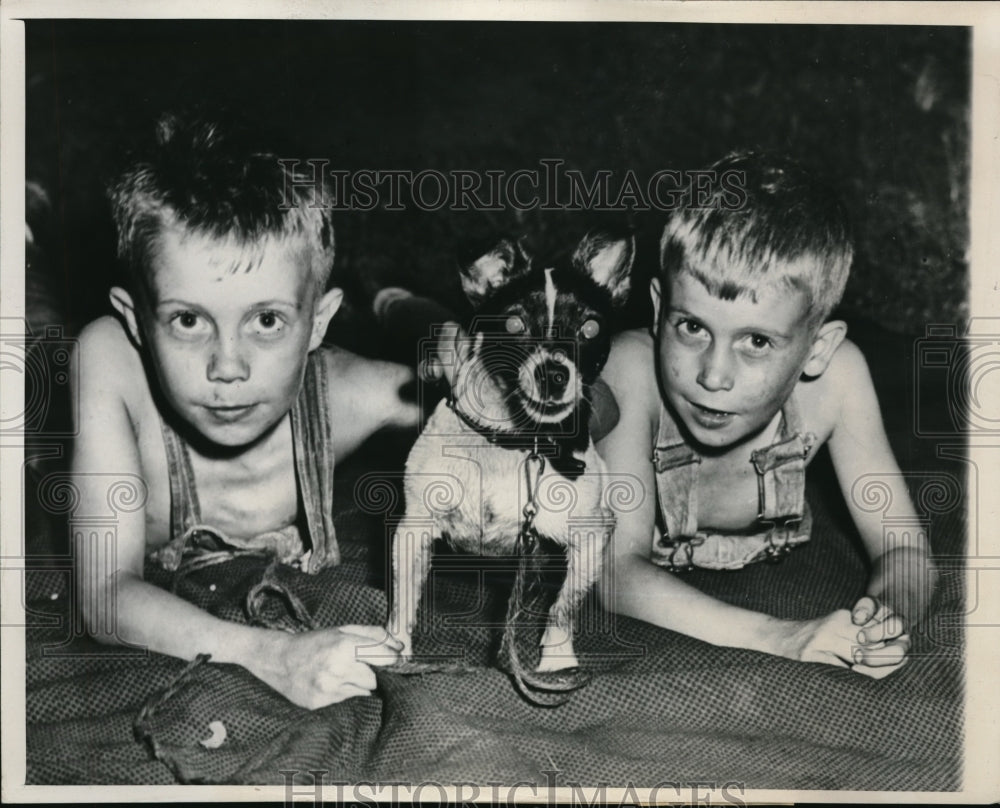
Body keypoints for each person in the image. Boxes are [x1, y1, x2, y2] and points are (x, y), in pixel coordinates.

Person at [71, 114, 422, 709]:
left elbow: (574, 409)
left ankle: (395, 298)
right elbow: (104, 592)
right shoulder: (109, 360)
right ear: (135, 321)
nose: (227, 367)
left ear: (318, 323)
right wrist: (273, 655)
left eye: (267, 321)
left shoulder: (349, 392)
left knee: (447, 340)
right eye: (188, 320)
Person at [594, 151, 937, 677]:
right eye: (691, 328)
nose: (713, 374)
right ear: (659, 311)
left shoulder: (837, 378)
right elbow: (616, 573)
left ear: (816, 350)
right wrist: (782, 637)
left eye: (756, 341)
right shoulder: (629, 370)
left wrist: (889, 616)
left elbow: (905, 550)